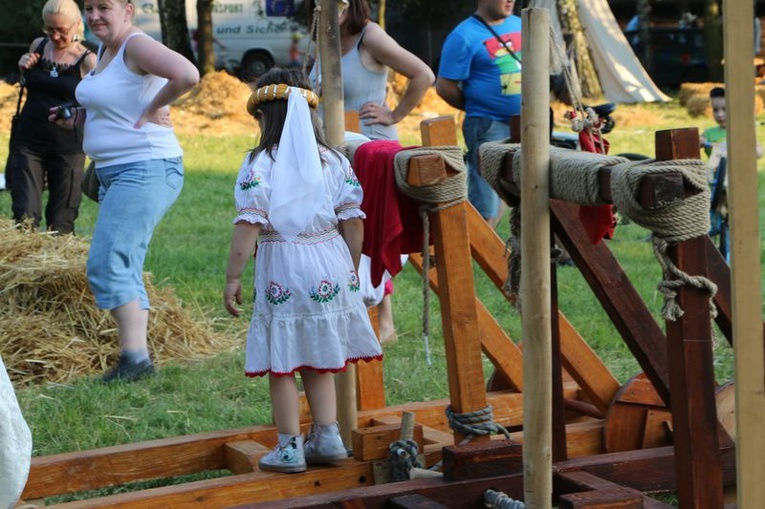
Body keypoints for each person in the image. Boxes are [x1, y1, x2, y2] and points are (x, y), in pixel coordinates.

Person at [223, 68, 383, 474]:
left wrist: (233, 276)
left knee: (283, 358)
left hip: (284, 264)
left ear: (266, 116)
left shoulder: (259, 162)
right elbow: (354, 219)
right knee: (317, 355)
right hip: (330, 258)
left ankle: (290, 447)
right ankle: (327, 436)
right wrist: (348, 267)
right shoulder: (333, 160)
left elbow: (249, 224)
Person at [52, 0, 200, 382]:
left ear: (128, 10)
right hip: (114, 171)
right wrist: (76, 117)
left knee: (106, 262)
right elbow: (112, 102)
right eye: (90, 8)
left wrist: (154, 107)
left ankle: (135, 359)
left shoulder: (135, 45)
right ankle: (136, 358)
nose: (95, 15)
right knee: (124, 261)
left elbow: (187, 74)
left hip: (146, 167)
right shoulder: (105, 49)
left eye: (105, 7)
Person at [335, 0, 434, 343]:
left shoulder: (369, 35)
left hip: (371, 150)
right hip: (337, 152)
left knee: (366, 229)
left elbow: (424, 75)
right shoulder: (323, 35)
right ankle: (376, 317)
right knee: (348, 231)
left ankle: (380, 318)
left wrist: (395, 115)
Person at [9, 0, 97, 234]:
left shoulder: (89, 60)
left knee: (61, 221)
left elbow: (99, 101)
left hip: (68, 147)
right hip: (28, 142)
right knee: (24, 217)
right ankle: (25, 268)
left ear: (77, 25)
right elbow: (29, 83)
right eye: (50, 29)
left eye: (62, 30)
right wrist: (23, 66)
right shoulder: (38, 46)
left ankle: (57, 269)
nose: (55, 36)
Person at [436, 0, 521, 228]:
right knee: (485, 197)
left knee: (518, 188)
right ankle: (477, 249)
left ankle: (490, 243)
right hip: (488, 125)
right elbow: (444, 86)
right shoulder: (463, 35)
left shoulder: (521, 24)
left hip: (526, 124)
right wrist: (479, 106)